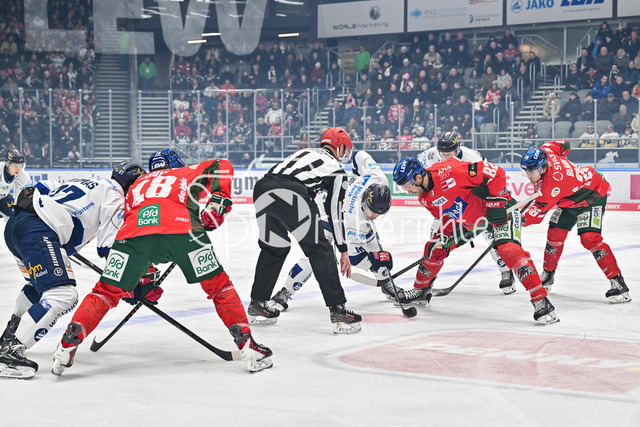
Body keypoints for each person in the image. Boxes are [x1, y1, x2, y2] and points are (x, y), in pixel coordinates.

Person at [51, 149, 273, 375]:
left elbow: (138, 225)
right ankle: (247, 344)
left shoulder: (136, 185)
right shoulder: (186, 172)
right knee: (219, 287)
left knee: (105, 292)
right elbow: (222, 165)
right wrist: (217, 202)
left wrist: (145, 278)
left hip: (132, 238)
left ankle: (68, 343)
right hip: (184, 233)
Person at [0, 161, 145, 379]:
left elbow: (43, 187)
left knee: (39, 287)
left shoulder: (89, 182)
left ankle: (8, 337)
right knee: (63, 295)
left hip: (16, 224)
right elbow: (108, 247)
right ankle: (10, 353)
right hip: (38, 231)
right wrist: (130, 282)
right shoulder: (116, 197)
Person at [391, 153, 559, 324]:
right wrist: (443, 239)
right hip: (472, 222)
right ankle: (421, 290)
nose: (408, 191)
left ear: (418, 177)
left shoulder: (451, 170)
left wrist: (496, 204)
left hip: (502, 210)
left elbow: (496, 173)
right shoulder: (424, 196)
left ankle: (541, 301)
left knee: (509, 251)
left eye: (408, 185)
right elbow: (446, 215)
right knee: (433, 248)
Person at [248, 127, 362, 334]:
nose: (345, 154)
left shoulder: (304, 152)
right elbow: (335, 212)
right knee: (320, 249)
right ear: (339, 146)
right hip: (290, 193)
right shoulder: (336, 169)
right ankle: (338, 311)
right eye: (345, 149)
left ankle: (258, 303)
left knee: (274, 248)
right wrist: (343, 249)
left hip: (263, 188)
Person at [269, 151, 398, 311]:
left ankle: (387, 283)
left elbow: (359, 154)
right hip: (323, 217)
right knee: (314, 257)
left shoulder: (378, 177)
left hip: (337, 206)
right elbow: (354, 257)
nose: (375, 217)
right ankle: (285, 292)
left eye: (379, 214)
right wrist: (375, 261)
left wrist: (356, 175)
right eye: (372, 213)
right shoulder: (355, 219)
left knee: (373, 243)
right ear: (364, 203)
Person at [519, 142, 630, 304]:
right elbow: (565, 144)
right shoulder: (546, 151)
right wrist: (566, 167)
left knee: (590, 238)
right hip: (568, 200)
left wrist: (516, 220)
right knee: (555, 233)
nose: (528, 175)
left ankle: (619, 283)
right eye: (525, 171)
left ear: (543, 168)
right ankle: (548, 275)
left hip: (592, 196)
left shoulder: (550, 188)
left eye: (531, 171)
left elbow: (534, 216)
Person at [416, 131, 517, 294]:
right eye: (443, 153)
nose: (445, 156)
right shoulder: (429, 156)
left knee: (492, 235)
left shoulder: (472, 158)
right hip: (449, 205)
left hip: (474, 200)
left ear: (458, 149)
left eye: (449, 153)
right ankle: (429, 277)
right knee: (437, 236)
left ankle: (505, 270)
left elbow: (488, 180)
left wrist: (493, 207)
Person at [0, 149, 30, 220]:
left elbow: (21, 195)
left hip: (4, 198)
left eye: (20, 166)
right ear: (7, 164)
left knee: (13, 218)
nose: (18, 169)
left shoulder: (23, 177)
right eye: (15, 166)